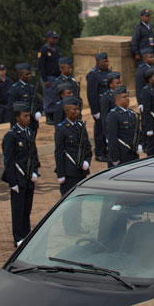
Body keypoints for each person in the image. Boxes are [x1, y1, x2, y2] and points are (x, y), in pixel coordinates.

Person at [2, 102, 40, 247]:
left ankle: (26, 234)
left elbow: (34, 154)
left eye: (28, 116)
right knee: (18, 210)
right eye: (25, 116)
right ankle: (18, 237)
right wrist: (13, 182)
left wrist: (35, 171)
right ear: (17, 117)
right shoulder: (11, 135)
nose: (28, 119)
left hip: (29, 177)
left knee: (26, 209)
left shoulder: (29, 132)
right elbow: (9, 161)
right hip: (18, 178)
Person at [54, 96, 92, 234]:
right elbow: (59, 152)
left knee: (79, 201)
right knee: (69, 201)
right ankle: (69, 228)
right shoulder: (61, 129)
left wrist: (87, 161)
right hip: (69, 171)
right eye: (74, 109)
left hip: (80, 170)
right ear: (67, 111)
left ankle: (77, 225)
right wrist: (61, 173)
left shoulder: (80, 126)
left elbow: (87, 147)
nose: (77, 112)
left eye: (78, 109)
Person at [106, 87, 140, 167]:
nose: (127, 98)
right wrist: (114, 158)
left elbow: (138, 132)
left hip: (133, 153)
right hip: (122, 155)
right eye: (124, 97)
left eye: (127, 96)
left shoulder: (131, 113)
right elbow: (112, 138)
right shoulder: (113, 115)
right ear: (117, 100)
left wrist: (140, 144)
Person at [86, 52, 110, 162]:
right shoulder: (93, 75)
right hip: (100, 108)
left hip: (108, 107)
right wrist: (95, 111)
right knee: (100, 131)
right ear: (98, 62)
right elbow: (91, 95)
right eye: (104, 62)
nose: (106, 63)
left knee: (108, 130)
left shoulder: (109, 73)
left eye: (107, 61)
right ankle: (99, 152)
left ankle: (107, 150)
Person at [7, 64, 42, 133]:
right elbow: (11, 108)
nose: (29, 76)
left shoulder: (32, 87)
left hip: (33, 123)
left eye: (30, 73)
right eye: (27, 74)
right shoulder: (15, 89)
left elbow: (39, 103)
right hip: (21, 124)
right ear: (20, 75)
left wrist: (39, 112)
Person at [37, 30, 61, 125]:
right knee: (49, 97)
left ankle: (55, 115)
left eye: (56, 38)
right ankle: (48, 115)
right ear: (48, 39)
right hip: (48, 77)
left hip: (57, 76)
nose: (55, 40)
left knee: (56, 97)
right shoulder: (43, 51)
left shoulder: (57, 49)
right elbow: (41, 67)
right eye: (53, 38)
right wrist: (45, 79)